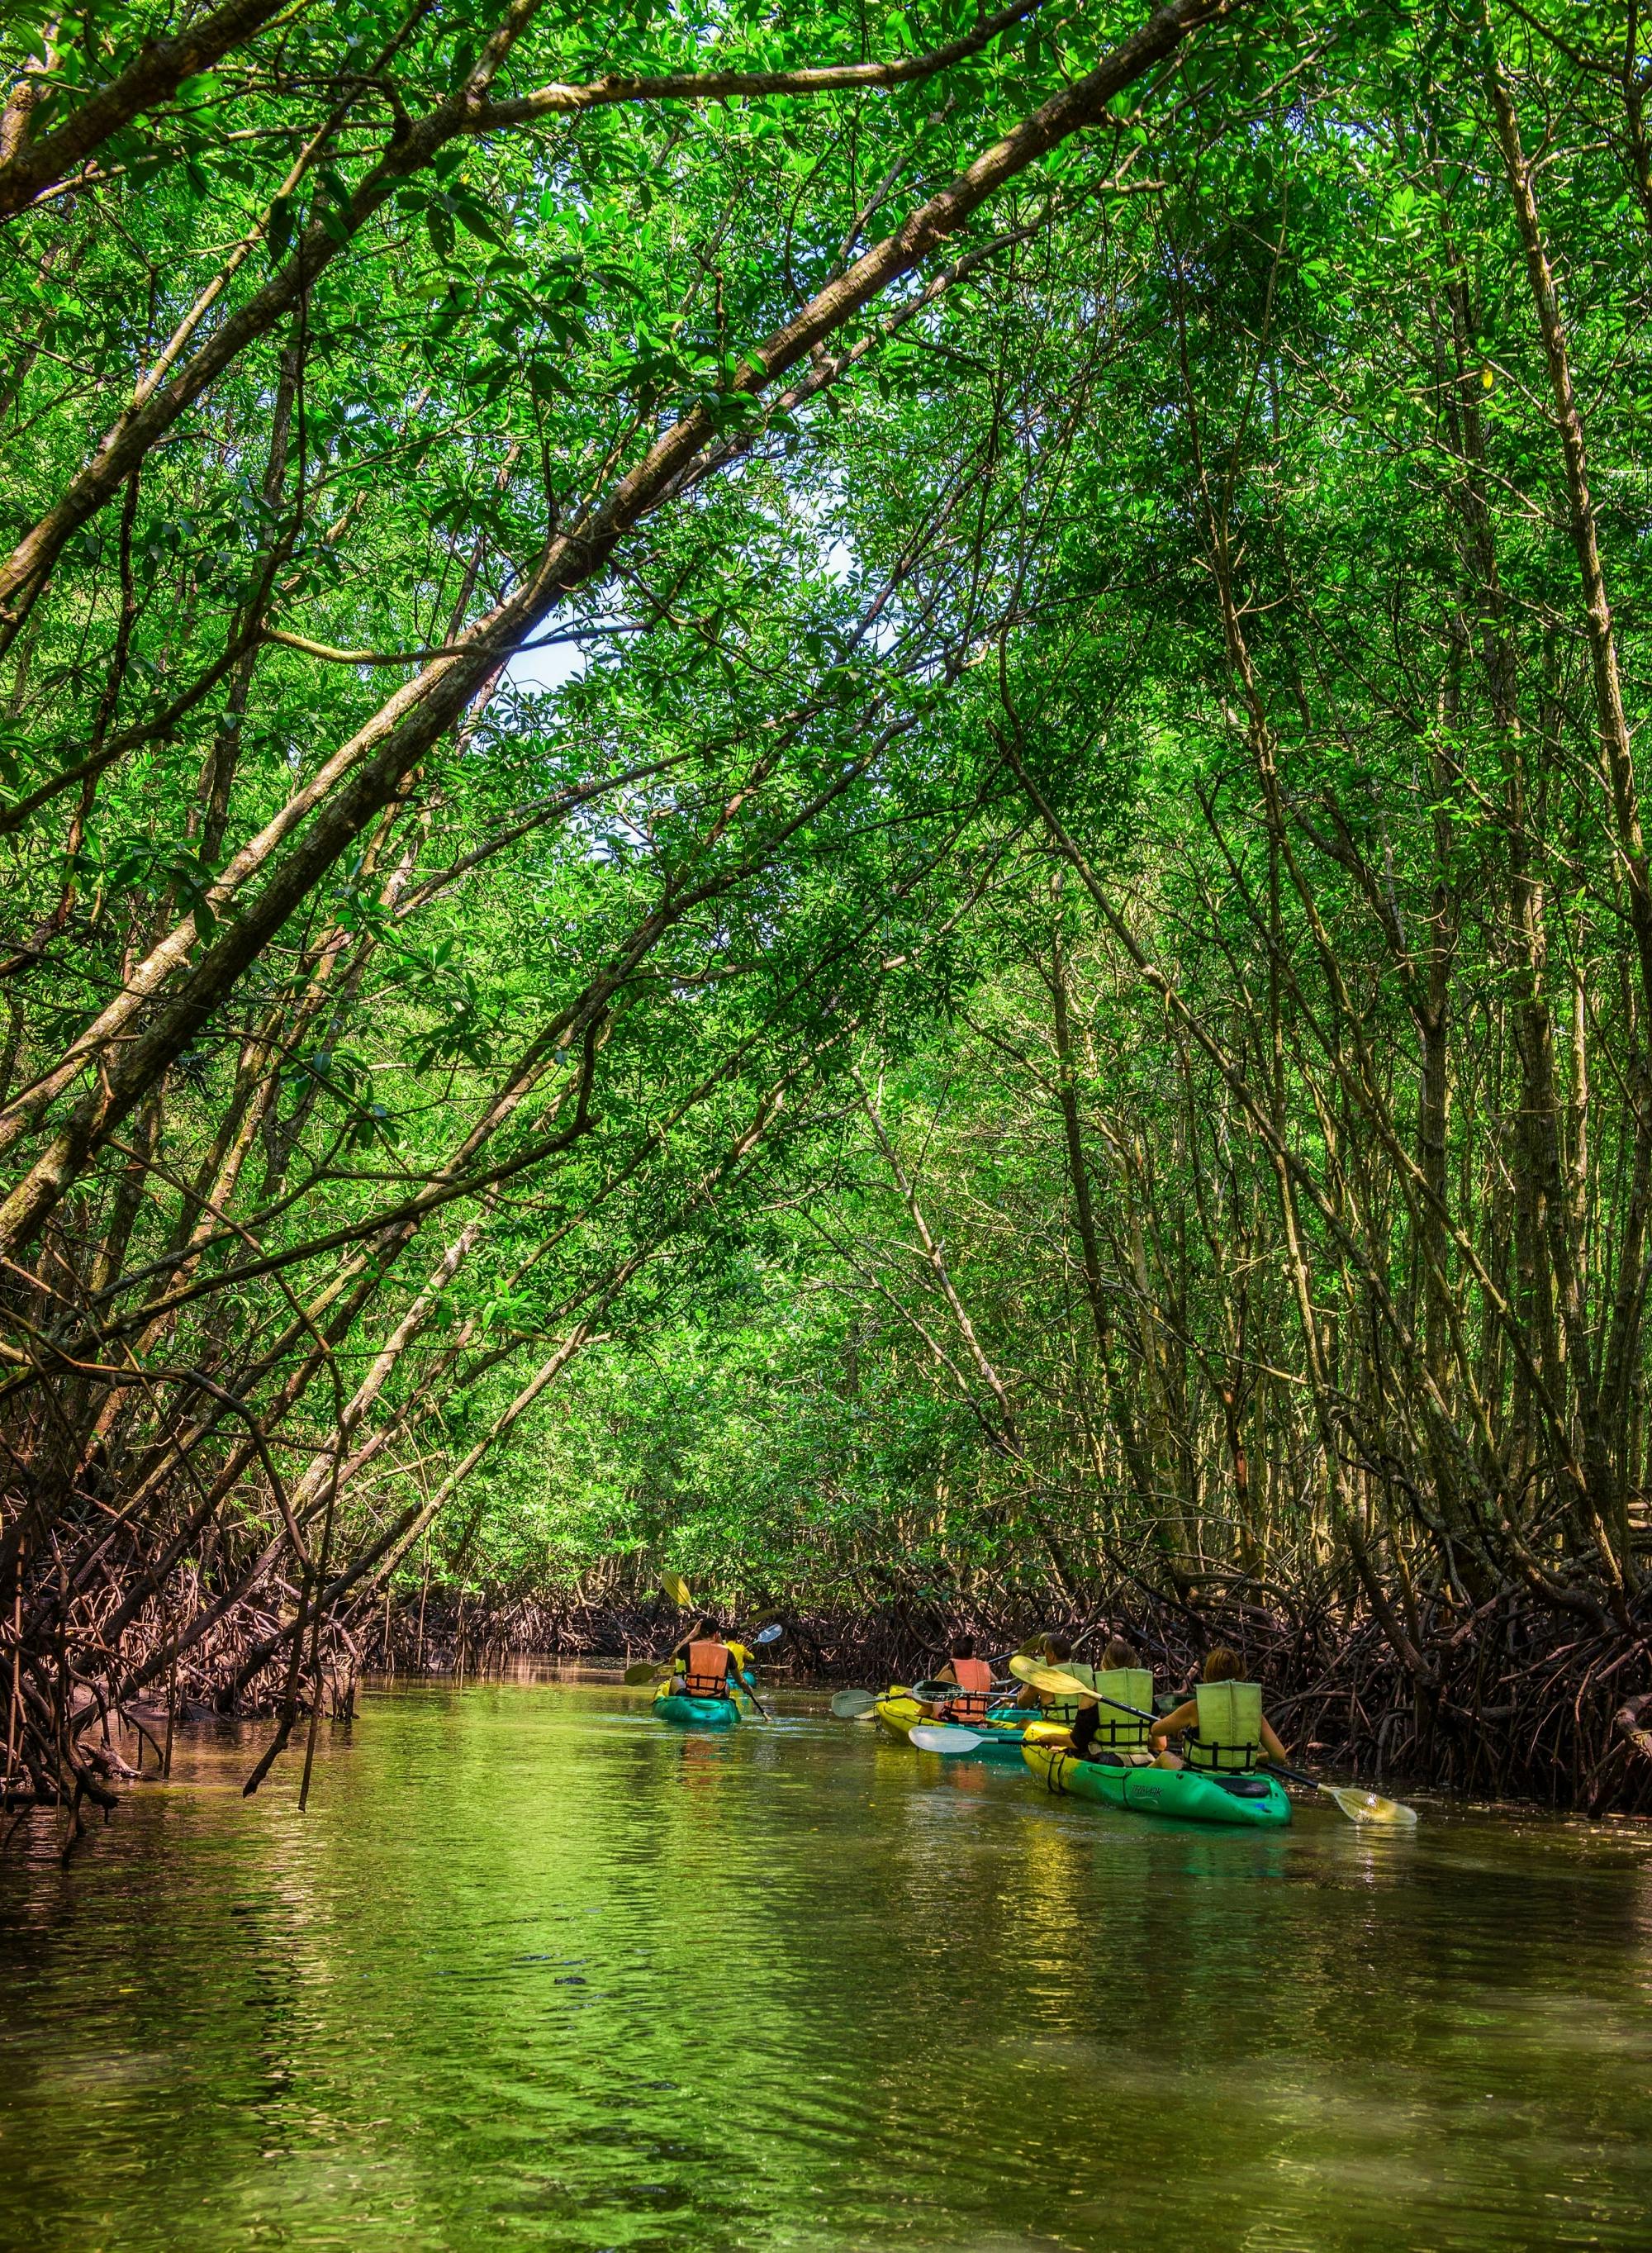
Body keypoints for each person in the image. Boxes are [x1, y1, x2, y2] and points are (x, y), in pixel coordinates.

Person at [1150, 1647, 1289, 1772]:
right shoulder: (1253, 1713)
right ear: (1240, 1674)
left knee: (1165, 1756)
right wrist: (1256, 1758)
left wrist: (1180, 1726)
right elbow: (1279, 1756)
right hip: (1240, 1778)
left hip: (1202, 1779)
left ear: (1208, 1674)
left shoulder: (1195, 1707)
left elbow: (1157, 1730)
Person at [1068, 1636, 1156, 1762]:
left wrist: (1049, 1737)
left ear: (1105, 1663)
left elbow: (1078, 1741)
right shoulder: (1145, 1696)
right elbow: (1161, 1744)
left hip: (1107, 1761)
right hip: (1143, 1761)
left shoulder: (1093, 1696)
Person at [1014, 1630, 1101, 1723]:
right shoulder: (1087, 1672)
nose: (1044, 1656)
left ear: (1052, 1655)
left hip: (1057, 1729)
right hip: (1082, 1729)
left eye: (1045, 1652)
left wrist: (1020, 1697)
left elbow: (1023, 1704)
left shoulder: (1041, 1678)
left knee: (1023, 1722)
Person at [923, 1636, 995, 1723]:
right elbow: (996, 1682)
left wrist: (911, 1695)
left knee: (939, 1695)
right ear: (971, 1653)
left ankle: (937, 1718)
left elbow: (929, 1698)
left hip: (955, 1718)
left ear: (953, 1654)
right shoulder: (983, 1669)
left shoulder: (950, 1673)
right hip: (978, 1719)